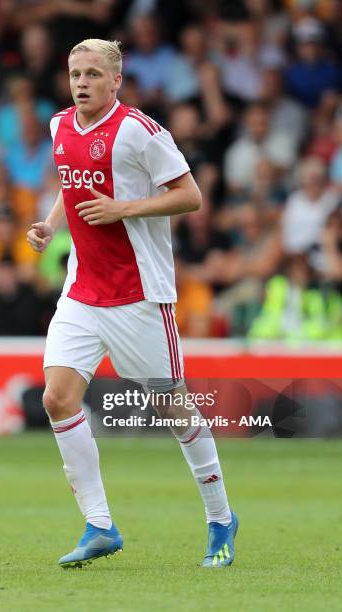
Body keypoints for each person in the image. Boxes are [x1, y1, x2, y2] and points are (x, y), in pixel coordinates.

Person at [27, 38, 238, 569]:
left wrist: (126, 208)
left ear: (116, 81)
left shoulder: (140, 132)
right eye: (75, 72)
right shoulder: (59, 127)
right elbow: (71, 184)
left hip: (139, 295)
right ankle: (99, 524)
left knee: (173, 406)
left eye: (93, 74)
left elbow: (190, 195)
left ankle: (220, 518)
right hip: (82, 290)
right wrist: (51, 225)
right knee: (57, 398)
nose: (81, 83)